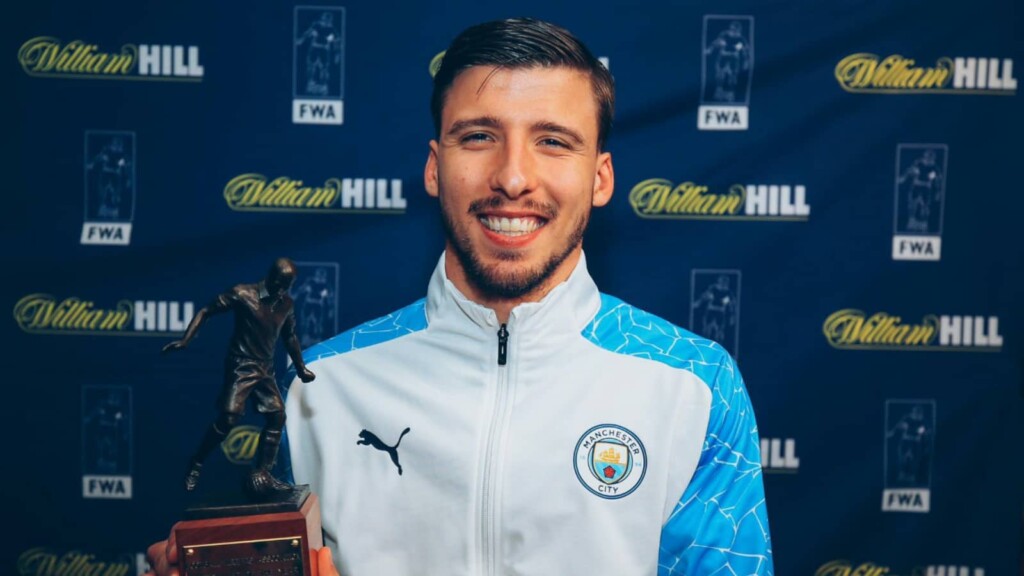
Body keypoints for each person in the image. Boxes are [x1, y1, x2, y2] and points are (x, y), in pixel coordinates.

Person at [147, 18, 772, 576]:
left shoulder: (693, 382)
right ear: (433, 166)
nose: (512, 177)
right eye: (478, 137)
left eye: (553, 140)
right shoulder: (321, 387)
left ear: (600, 177)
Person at [162, 257, 316, 496]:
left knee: (277, 416)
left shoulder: (286, 303)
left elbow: (290, 337)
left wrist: (300, 367)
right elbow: (206, 310)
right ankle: (197, 462)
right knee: (229, 418)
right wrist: (185, 340)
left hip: (265, 369)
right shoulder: (243, 293)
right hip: (241, 366)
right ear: (272, 277)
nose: (283, 289)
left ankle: (264, 472)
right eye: (281, 283)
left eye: (289, 285)